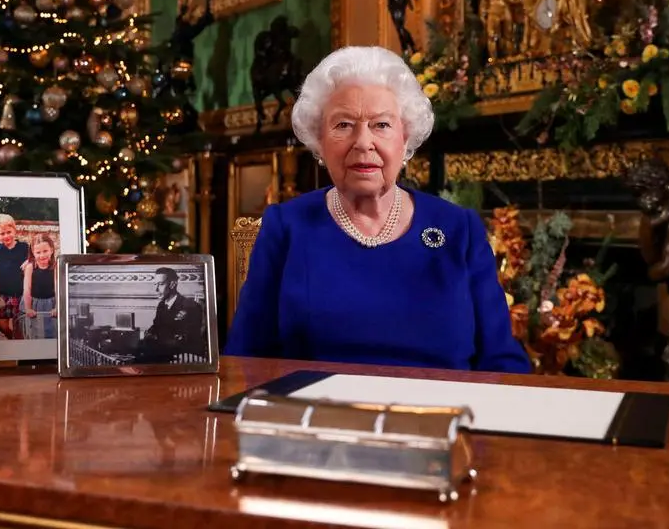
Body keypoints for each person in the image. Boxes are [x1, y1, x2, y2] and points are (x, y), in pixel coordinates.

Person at [224, 45, 532, 373]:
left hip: (439, 418)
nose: (363, 142)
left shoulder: (459, 229)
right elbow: (245, 358)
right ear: (319, 140)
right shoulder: (286, 226)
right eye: (343, 125)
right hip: (317, 417)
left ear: (405, 136)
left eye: (381, 125)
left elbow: (502, 360)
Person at [138, 268, 206, 363]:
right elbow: (156, 326)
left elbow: (186, 339)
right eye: (155, 284)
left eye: (161, 284)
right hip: (163, 352)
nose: (156, 289)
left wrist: (155, 339)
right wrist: (147, 334)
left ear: (173, 284)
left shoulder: (190, 306)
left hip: (181, 357)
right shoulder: (161, 305)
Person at [22, 233, 58, 340]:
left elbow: (58, 288)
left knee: (53, 332)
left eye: (45, 251)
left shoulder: (56, 267)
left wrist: (57, 307)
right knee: (35, 333)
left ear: (51, 250)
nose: (42, 255)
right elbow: (27, 289)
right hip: (34, 304)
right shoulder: (30, 267)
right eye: (38, 252)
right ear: (33, 252)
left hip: (51, 304)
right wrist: (28, 308)